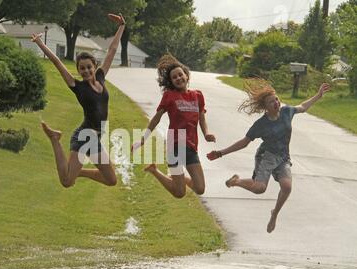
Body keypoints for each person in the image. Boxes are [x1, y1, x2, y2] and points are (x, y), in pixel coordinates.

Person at [207, 79, 331, 233]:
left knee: (287, 187)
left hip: (283, 157)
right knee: (259, 188)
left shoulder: (287, 112)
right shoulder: (261, 124)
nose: (276, 103)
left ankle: (274, 214)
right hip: (266, 156)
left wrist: (318, 95)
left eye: (277, 99)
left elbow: (303, 107)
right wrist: (220, 153)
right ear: (265, 107)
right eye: (272, 102)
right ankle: (236, 181)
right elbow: (244, 142)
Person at [32, 14, 126, 188]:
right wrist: (40, 43)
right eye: (81, 68)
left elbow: (112, 50)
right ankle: (55, 139)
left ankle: (78, 171)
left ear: (94, 65)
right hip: (84, 136)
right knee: (67, 181)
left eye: (89, 67)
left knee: (111, 180)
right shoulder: (77, 86)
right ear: (78, 70)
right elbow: (57, 61)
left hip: (96, 138)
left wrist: (121, 26)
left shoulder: (101, 77)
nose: (86, 71)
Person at [132, 54, 216, 198]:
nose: (178, 78)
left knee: (200, 188)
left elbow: (201, 118)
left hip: (191, 146)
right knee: (179, 193)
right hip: (175, 145)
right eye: (174, 77)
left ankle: (168, 175)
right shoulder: (169, 96)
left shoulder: (198, 96)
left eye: (180, 75)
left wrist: (207, 133)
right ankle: (155, 171)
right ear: (171, 81)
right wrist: (143, 139)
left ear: (186, 76)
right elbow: (156, 119)